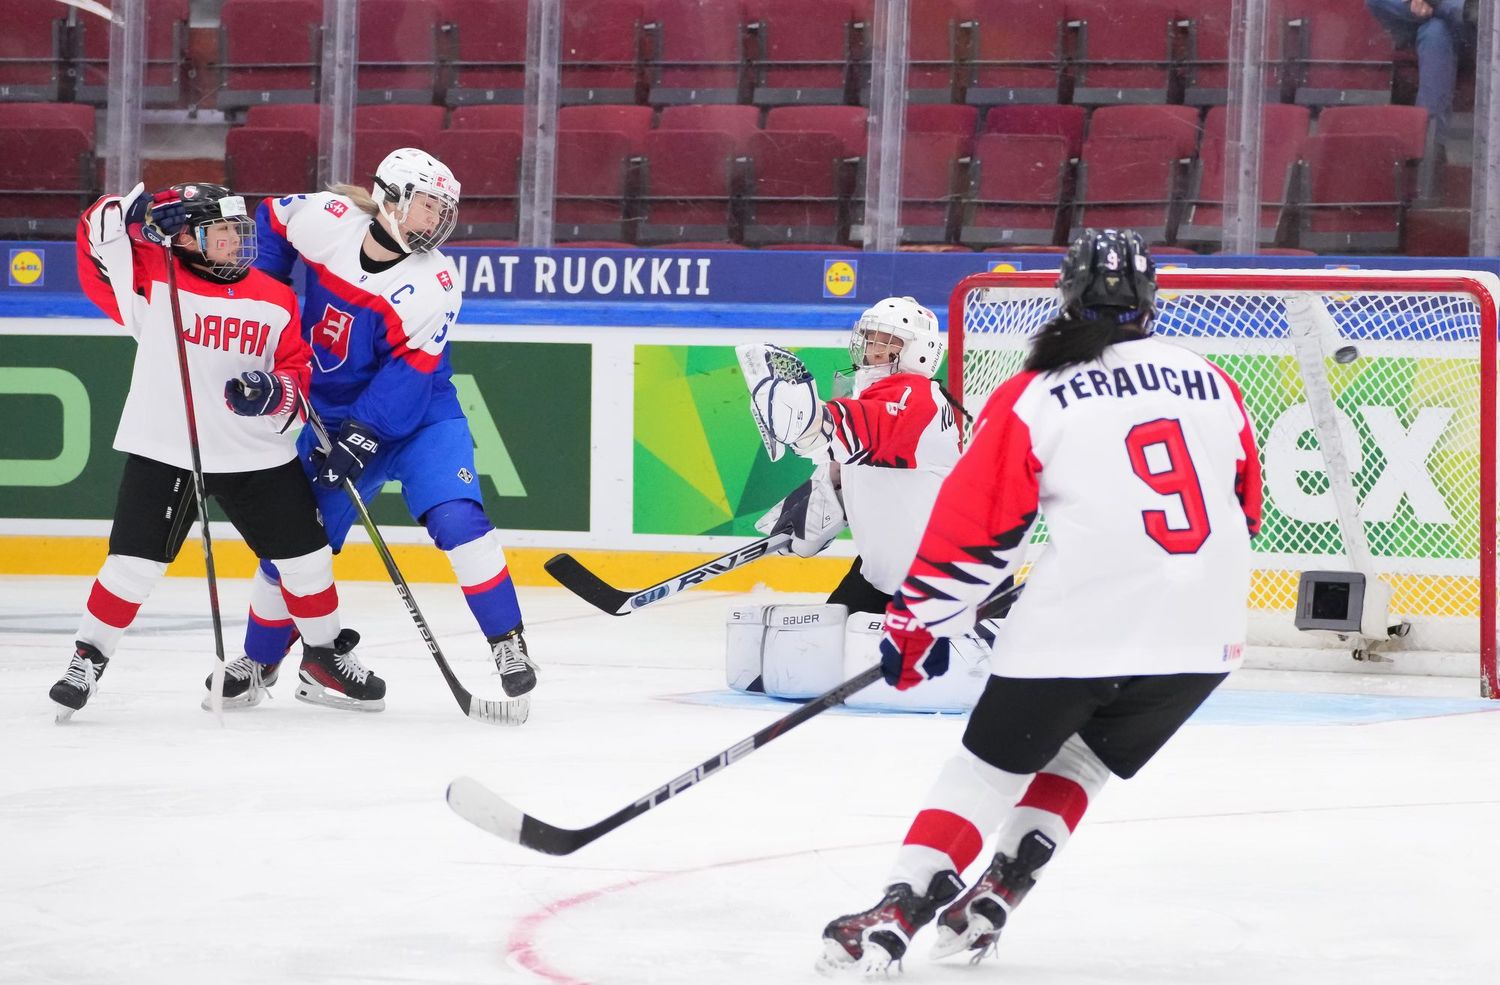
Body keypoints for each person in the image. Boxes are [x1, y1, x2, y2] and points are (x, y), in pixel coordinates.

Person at [817, 229, 1263, 974]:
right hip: (1207, 632)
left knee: (986, 769)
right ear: (1151, 302)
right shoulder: (1213, 380)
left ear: (1067, 296)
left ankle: (898, 909)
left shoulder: (1038, 390)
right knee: (1082, 757)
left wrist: (919, 619)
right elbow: (1246, 511)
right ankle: (1001, 887)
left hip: (1085, 623)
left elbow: (979, 526)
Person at [52, 181, 380, 720]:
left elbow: (295, 372)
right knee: (132, 565)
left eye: (238, 228)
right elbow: (96, 237)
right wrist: (139, 212)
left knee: (307, 560)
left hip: (256, 454)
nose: (236, 240)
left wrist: (274, 393)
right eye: (221, 230)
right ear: (183, 237)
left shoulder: (275, 295)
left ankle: (324, 656)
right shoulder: (153, 275)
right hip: (167, 449)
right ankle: (87, 658)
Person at [228, 147, 537, 709]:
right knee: (294, 546)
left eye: (444, 211)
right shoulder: (328, 220)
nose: (436, 222)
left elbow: (410, 375)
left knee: (459, 520)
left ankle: (508, 644)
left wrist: (363, 433)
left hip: (421, 420)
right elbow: (272, 216)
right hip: (329, 417)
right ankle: (260, 661)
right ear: (390, 198)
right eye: (427, 207)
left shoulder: (437, 281)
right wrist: (265, 296)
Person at [729, 298, 998, 709]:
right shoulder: (875, 395)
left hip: (947, 584)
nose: (874, 349)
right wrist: (815, 507)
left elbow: (830, 431)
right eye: (870, 339)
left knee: (935, 688)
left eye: (888, 342)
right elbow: (847, 466)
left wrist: (802, 417)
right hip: (883, 575)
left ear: (919, 350)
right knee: (815, 669)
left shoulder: (915, 397)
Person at [1365, 0, 1477, 138]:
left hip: (1474, 31)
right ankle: (1458, 9)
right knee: (1436, 30)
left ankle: (1428, 141)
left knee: (1435, 31)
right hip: (1427, 18)